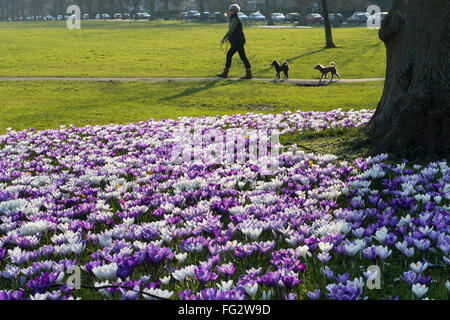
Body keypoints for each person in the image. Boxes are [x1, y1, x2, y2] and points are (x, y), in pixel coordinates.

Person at [217, 4, 252, 80]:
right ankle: (248, 73)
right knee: (242, 57)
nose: (229, 12)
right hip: (238, 40)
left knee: (229, 55)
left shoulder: (234, 19)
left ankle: (225, 73)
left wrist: (224, 37)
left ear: (233, 11)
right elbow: (234, 31)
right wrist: (228, 38)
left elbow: (232, 30)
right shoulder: (234, 18)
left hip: (237, 41)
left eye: (230, 10)